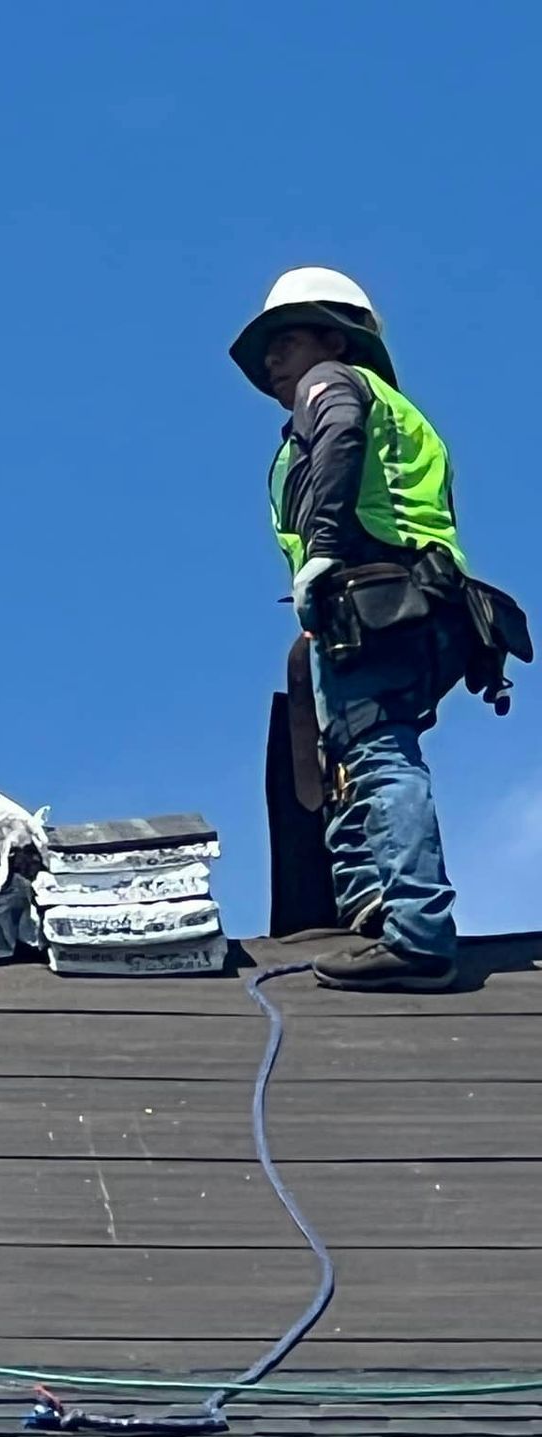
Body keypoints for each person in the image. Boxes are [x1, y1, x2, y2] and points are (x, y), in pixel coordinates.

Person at [230, 269, 472, 991]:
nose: (274, 360)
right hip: (413, 606)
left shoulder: (333, 385)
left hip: (380, 597)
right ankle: (369, 905)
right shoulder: (395, 410)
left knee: (376, 754)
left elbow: (336, 445)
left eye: (287, 340)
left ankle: (416, 933)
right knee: (354, 752)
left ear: (333, 340)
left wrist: (327, 548)